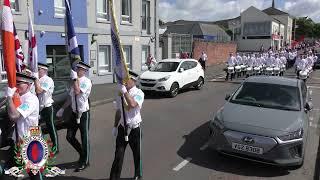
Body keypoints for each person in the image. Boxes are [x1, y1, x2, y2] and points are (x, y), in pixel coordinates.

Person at [57, 61, 92, 172]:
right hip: (74, 112)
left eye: (80, 69)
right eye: (77, 68)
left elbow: (77, 92)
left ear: (85, 71)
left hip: (83, 113)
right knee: (70, 136)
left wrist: (74, 80)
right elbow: (71, 97)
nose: (78, 70)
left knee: (84, 138)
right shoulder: (75, 81)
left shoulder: (87, 82)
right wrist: (62, 109)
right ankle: (82, 153)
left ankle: (85, 162)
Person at [6, 72, 42, 180]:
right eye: (15, 82)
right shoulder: (17, 97)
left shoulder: (31, 99)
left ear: (29, 85)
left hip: (29, 141)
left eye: (19, 82)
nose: (16, 85)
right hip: (17, 139)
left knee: (33, 173)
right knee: (10, 171)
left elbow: (14, 115)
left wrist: (9, 97)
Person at [110, 72, 145, 180]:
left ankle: (138, 175)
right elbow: (119, 111)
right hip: (122, 128)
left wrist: (124, 92)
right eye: (124, 79)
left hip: (134, 128)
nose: (124, 81)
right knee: (118, 155)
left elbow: (133, 104)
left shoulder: (139, 93)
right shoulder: (120, 93)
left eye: (127, 79)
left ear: (133, 81)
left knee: (137, 155)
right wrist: (115, 126)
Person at [34, 62, 59, 153]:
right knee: (36, 128)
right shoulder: (37, 80)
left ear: (44, 70)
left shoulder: (48, 80)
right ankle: (39, 147)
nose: (37, 71)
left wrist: (35, 79)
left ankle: (56, 147)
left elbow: (39, 90)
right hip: (38, 108)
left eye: (38, 69)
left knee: (51, 127)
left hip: (47, 107)